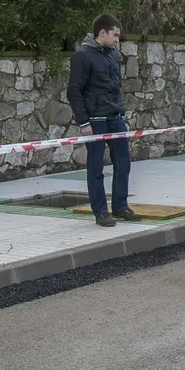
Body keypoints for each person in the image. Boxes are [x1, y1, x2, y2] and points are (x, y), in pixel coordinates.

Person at [66, 14, 140, 227]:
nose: (117, 39)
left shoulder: (114, 55)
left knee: (123, 162)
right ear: (102, 33)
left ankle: (120, 206)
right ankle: (100, 212)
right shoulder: (82, 56)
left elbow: (115, 87)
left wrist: (120, 111)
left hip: (115, 117)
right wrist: (84, 122)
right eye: (115, 35)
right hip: (95, 120)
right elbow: (74, 91)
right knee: (96, 167)